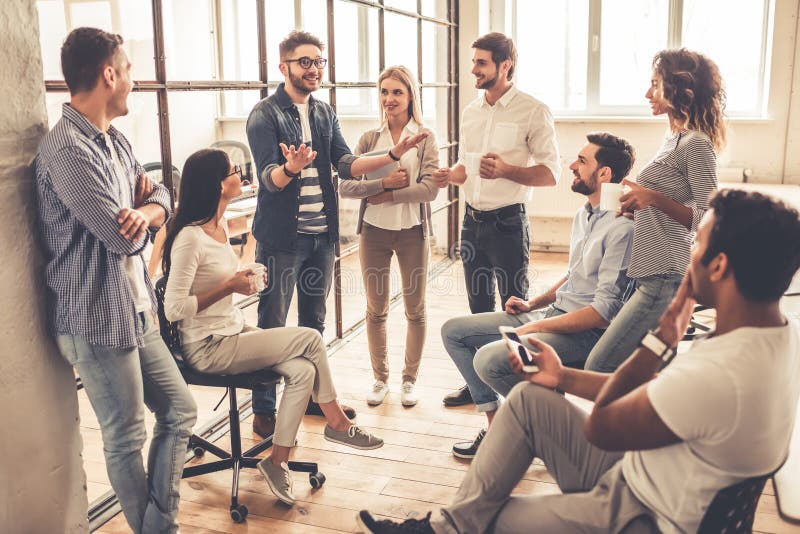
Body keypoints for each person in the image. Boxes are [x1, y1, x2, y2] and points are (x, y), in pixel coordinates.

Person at [356, 188, 800, 534]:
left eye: (697, 246)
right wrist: (562, 376)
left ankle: (449, 527)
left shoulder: (718, 373)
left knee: (486, 523)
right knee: (530, 397)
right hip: (644, 474)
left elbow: (601, 426)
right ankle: (449, 526)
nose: (689, 259)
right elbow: (653, 401)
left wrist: (662, 339)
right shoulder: (779, 336)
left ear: (719, 266)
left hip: (640, 514)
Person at [34, 27, 196, 533]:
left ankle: (156, 525)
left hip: (135, 307)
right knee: (125, 436)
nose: (134, 81)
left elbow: (164, 193)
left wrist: (147, 210)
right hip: (95, 318)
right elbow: (119, 237)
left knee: (180, 411)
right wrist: (147, 216)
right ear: (108, 75)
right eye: (128, 71)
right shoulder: (67, 150)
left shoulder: (115, 141)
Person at [163, 148, 384, 506]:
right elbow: (173, 308)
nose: (240, 174)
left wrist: (244, 279)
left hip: (232, 331)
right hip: (208, 346)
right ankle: (338, 423)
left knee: (301, 370)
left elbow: (217, 284)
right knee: (310, 338)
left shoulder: (219, 226)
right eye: (233, 170)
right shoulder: (190, 237)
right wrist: (229, 286)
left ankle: (276, 461)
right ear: (217, 185)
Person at [246, 31, 428, 435]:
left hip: (322, 238)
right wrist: (290, 169)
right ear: (285, 68)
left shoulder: (325, 112)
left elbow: (346, 163)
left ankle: (313, 397)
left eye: (319, 62)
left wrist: (393, 154)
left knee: (315, 323)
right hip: (281, 240)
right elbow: (268, 179)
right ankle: (263, 407)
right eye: (305, 62)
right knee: (271, 324)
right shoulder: (265, 114)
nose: (314, 69)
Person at [442, 132, 636, 459]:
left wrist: (534, 328)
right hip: (551, 316)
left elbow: (603, 312)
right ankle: (501, 426)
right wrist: (533, 306)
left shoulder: (622, 228)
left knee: (488, 359)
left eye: (582, 161)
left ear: (604, 174)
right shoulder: (584, 216)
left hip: (584, 333)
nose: (572, 166)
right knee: (454, 332)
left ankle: (548, 430)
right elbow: (574, 277)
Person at [436, 32, 561, 408]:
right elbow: (466, 167)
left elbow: (551, 173)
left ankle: (526, 390)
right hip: (471, 222)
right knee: (477, 310)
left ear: (505, 65)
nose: (474, 69)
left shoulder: (533, 110)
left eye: (481, 62)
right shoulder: (471, 111)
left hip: (509, 224)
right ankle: (480, 384)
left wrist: (508, 170)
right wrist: (450, 176)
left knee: (513, 309)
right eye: (474, 61)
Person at [584, 48, 725, 372]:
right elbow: (668, 203)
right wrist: (641, 205)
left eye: (655, 84)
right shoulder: (672, 139)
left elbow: (709, 220)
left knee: (600, 365)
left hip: (666, 276)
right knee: (641, 372)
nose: (648, 93)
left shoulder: (696, 144)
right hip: (649, 273)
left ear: (677, 89)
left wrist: (654, 200)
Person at [339, 66, 449, 407]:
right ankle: (380, 379)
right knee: (376, 309)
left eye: (397, 92)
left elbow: (430, 189)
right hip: (374, 233)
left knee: (415, 310)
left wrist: (390, 196)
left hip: (412, 233)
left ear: (411, 95)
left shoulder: (425, 137)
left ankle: (409, 381)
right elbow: (345, 185)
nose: (389, 99)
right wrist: (382, 184)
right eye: (384, 92)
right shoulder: (370, 139)